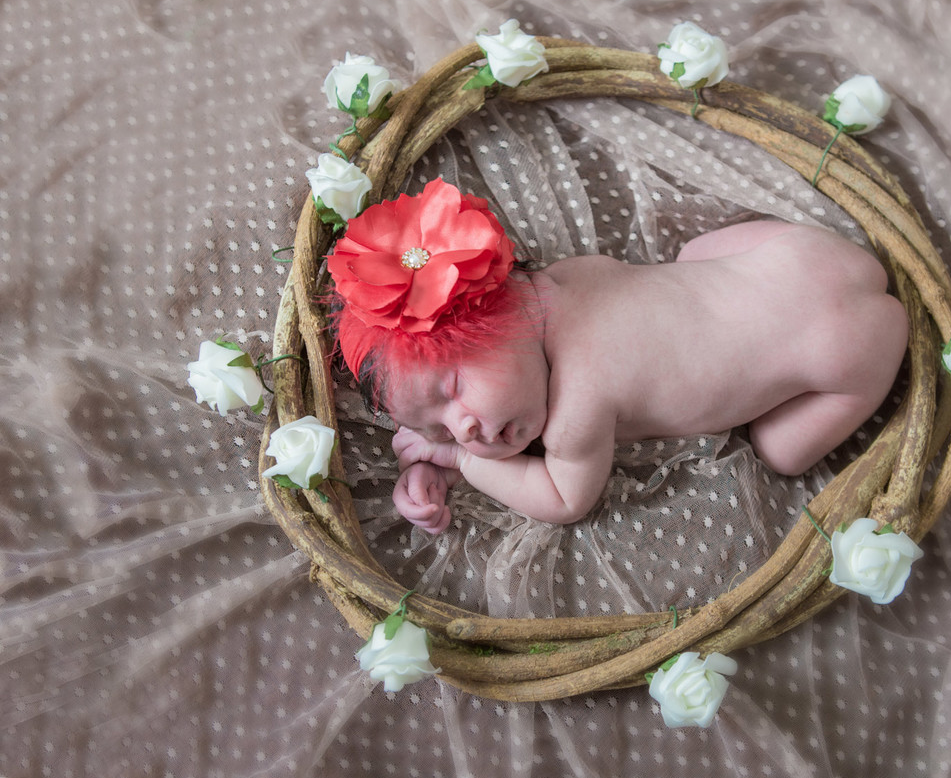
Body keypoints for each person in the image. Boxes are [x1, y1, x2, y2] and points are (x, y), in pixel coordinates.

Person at [328, 178, 908, 533]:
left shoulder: (580, 408)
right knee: (692, 256)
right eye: (447, 432)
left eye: (451, 391)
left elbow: (563, 499)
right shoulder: (564, 279)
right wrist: (436, 448)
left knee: (779, 451)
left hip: (850, 353)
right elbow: (512, 383)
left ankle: (857, 358)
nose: (467, 428)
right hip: (811, 255)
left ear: (494, 319)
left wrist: (461, 463)